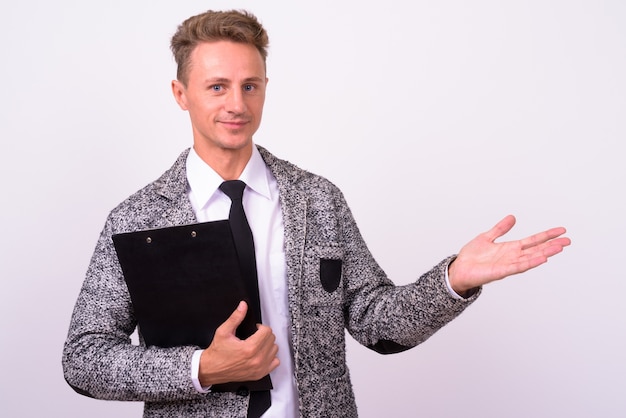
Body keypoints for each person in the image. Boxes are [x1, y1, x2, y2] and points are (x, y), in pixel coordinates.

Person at [62, 9, 571, 418]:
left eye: (250, 85)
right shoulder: (137, 218)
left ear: (264, 87)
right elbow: (84, 359)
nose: (236, 103)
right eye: (217, 86)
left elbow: (376, 323)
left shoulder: (318, 199)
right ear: (181, 95)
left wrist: (453, 280)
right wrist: (201, 368)